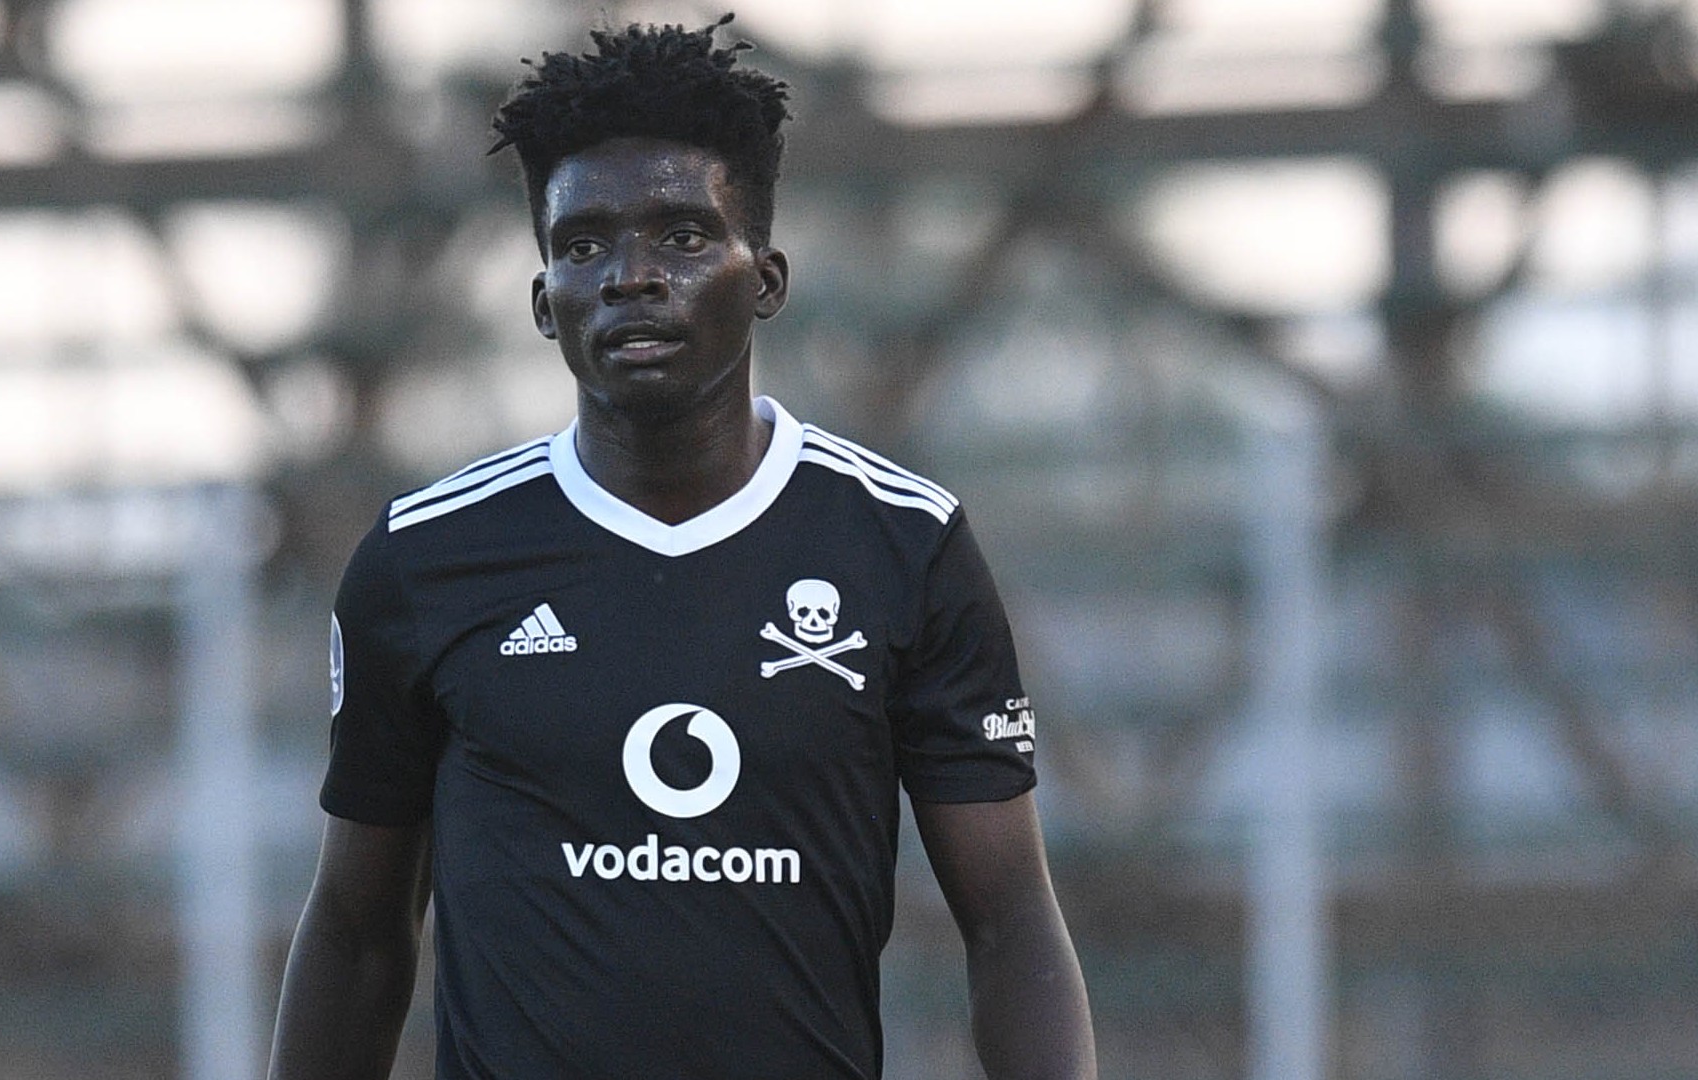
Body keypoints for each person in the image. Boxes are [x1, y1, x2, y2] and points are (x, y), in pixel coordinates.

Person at [269, 15, 1096, 1080]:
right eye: (584, 246)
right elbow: (356, 932)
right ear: (544, 302)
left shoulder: (903, 544)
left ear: (767, 280)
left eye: (683, 237)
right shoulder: (426, 561)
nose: (632, 276)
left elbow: (1011, 921)